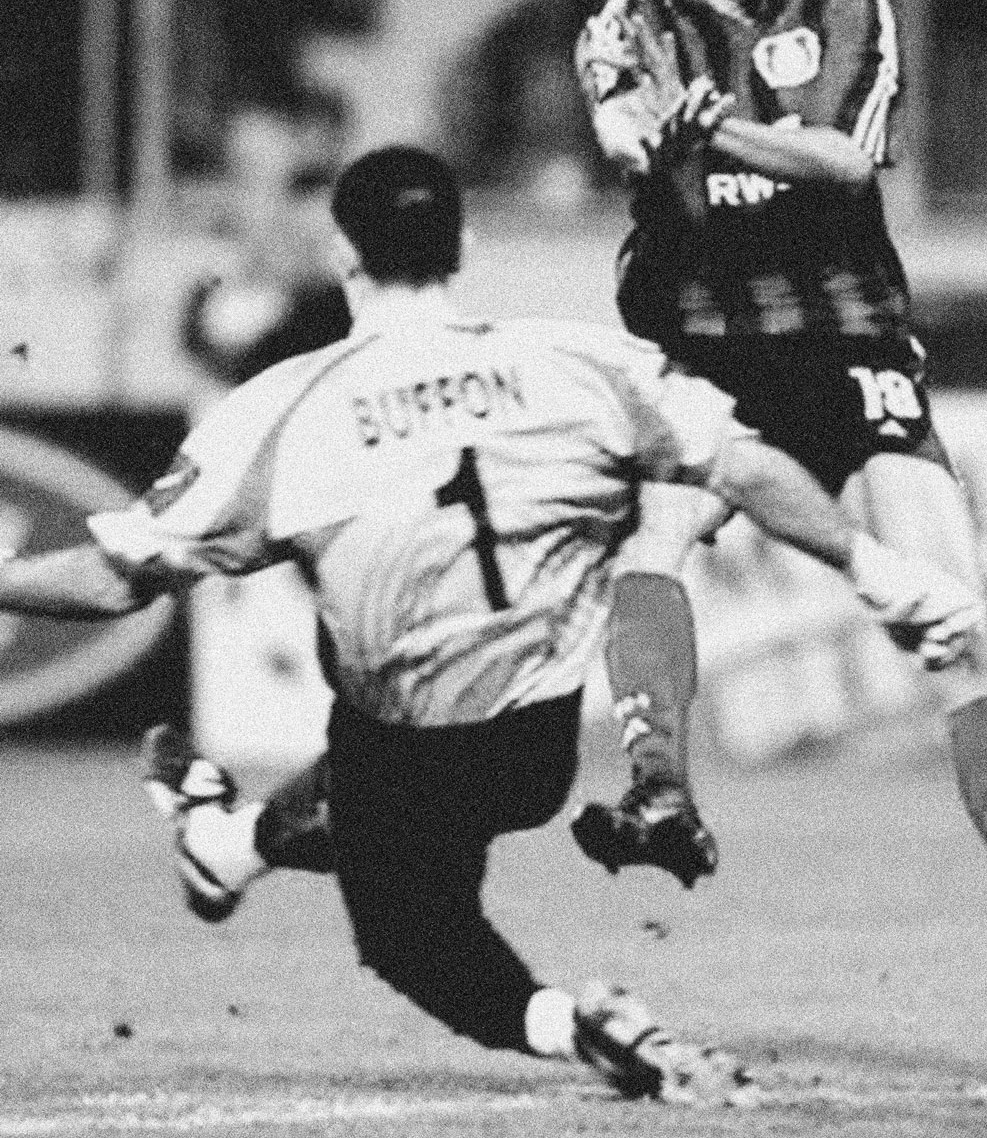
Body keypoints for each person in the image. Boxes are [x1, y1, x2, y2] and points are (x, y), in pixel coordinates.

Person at [0, 146, 978, 1104]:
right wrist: (875, 565)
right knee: (413, 801)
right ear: (464, 243)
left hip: (397, 739)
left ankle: (576, 1024)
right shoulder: (579, 360)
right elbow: (744, 463)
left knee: (408, 937)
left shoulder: (280, 412)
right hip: (535, 750)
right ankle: (229, 843)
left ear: (344, 255)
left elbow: (114, 579)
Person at [575, 0, 987, 857]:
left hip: (845, 339)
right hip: (699, 344)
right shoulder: (630, 26)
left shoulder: (847, 2)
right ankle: (658, 790)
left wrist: (710, 130)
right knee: (652, 539)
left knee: (957, 630)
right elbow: (623, 134)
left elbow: (846, 159)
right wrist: (643, 135)